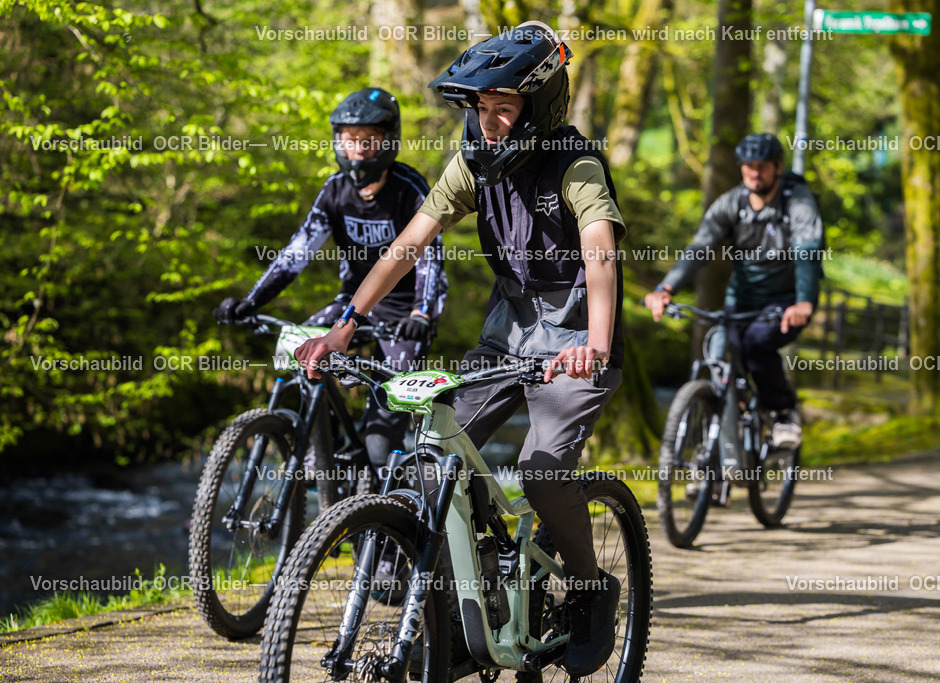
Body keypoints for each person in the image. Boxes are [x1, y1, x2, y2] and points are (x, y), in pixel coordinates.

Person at [295, 22, 624, 677]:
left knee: (542, 467)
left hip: (577, 338)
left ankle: (590, 592)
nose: (491, 120)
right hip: (508, 335)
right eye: (481, 105)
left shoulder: (575, 161)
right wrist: (346, 322)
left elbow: (601, 255)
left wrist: (595, 344)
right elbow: (407, 244)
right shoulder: (474, 159)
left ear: (540, 104)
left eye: (505, 106)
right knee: (429, 458)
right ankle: (456, 607)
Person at [215, 87, 447, 469]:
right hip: (352, 303)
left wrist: (422, 314)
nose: (357, 150)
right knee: (299, 351)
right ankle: (327, 443)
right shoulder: (334, 190)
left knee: (379, 441)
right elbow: (297, 251)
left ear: (388, 142)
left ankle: (386, 486)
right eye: (349, 140)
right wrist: (252, 302)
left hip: (405, 314)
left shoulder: (410, 189)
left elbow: (430, 259)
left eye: (368, 142)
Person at [644, 133, 824, 450]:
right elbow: (699, 248)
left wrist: (805, 302)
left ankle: (783, 412)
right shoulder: (731, 203)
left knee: (757, 344)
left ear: (778, 167)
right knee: (718, 346)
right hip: (741, 300)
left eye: (762, 166)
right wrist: (665, 287)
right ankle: (719, 444)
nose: (755, 173)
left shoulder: (797, 201)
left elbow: (807, 251)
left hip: (787, 300)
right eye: (748, 166)